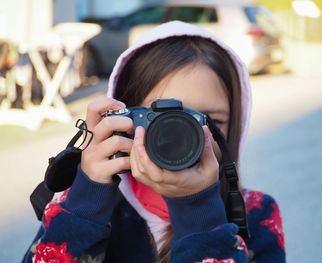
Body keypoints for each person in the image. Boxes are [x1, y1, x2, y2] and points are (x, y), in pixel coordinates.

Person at [23, 21, 285, 263]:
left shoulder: (256, 214)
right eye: (165, 120)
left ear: (233, 127)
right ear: (123, 120)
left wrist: (198, 211)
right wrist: (86, 199)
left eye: (208, 121)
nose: (182, 137)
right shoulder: (87, 204)